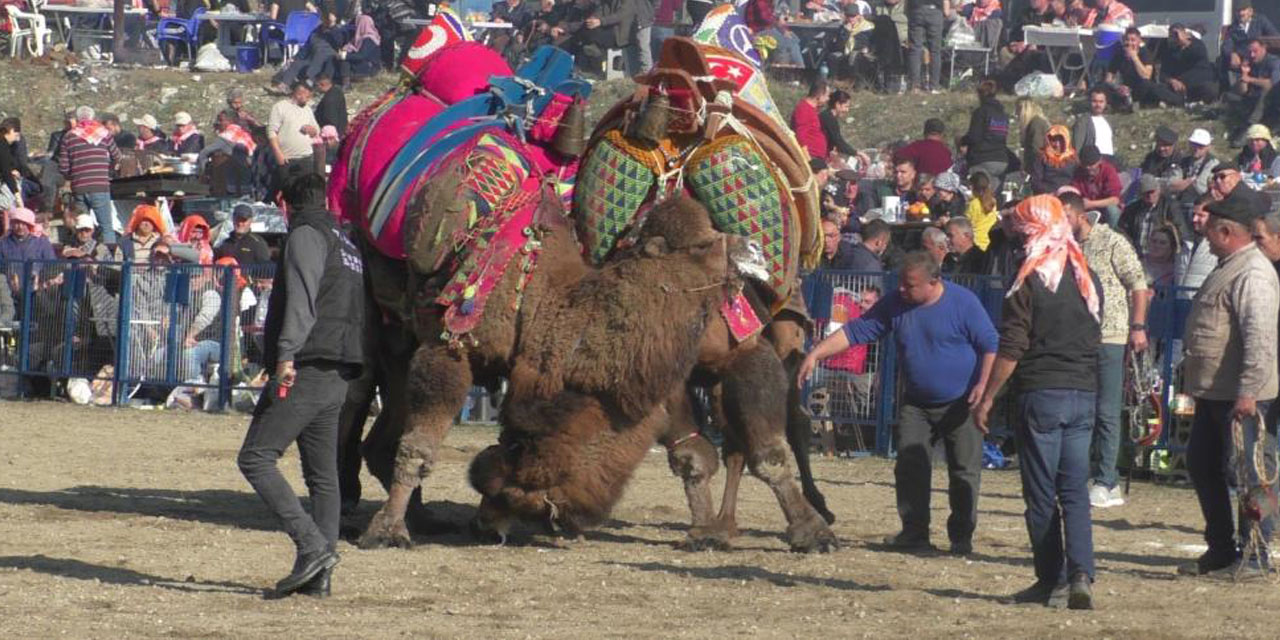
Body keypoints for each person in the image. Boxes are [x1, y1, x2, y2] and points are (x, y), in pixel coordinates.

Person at [800, 251, 998, 556]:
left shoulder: (964, 303)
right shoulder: (896, 303)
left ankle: (961, 537)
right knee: (909, 465)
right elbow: (856, 331)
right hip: (917, 402)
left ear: (934, 282)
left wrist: (984, 387)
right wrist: (815, 354)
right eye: (902, 284)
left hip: (962, 402)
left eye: (911, 285)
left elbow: (990, 345)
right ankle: (914, 533)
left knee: (964, 471)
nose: (902, 290)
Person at [237, 168, 365, 598]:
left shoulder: (306, 235)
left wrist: (285, 355)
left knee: (256, 458)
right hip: (340, 369)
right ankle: (319, 578)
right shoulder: (346, 242)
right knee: (323, 477)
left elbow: (302, 300)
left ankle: (312, 547)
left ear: (283, 203)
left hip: (306, 364)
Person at [973, 194, 1101, 609]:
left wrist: (988, 396)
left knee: (1042, 493)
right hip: (1083, 391)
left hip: (1042, 391)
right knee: (1075, 490)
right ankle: (1081, 573)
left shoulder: (1027, 276)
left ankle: (1050, 579)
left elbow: (1012, 345)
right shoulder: (1086, 273)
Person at [1178, 193, 1279, 577]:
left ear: (1226, 231)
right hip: (1216, 392)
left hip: (1240, 395)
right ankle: (1221, 547)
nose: (1204, 238)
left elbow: (1259, 337)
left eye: (1209, 231)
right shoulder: (1231, 265)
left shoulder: (1251, 273)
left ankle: (1256, 551)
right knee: (1204, 465)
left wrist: (1249, 391)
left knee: (1250, 476)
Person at [1061, 191, 1148, 509]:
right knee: (1082, 409)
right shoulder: (1069, 248)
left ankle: (1106, 479)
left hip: (1111, 335)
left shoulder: (1112, 242)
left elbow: (1138, 283)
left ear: (1077, 214)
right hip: (1080, 337)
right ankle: (1084, 473)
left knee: (1107, 410)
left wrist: (1137, 327)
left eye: (1064, 217)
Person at [58, 106, 122, 244]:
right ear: (92, 118)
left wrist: (73, 175)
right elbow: (117, 156)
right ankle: (108, 261)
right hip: (100, 186)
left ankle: (85, 258)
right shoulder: (104, 133)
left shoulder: (69, 136)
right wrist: (107, 169)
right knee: (106, 227)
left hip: (79, 187)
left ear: (78, 119)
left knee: (83, 226)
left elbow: (63, 166)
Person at [268, 82, 322, 195]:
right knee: (287, 191)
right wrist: (278, 154)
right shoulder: (280, 107)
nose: (305, 98)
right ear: (295, 93)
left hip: (306, 157)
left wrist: (312, 130)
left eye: (308, 96)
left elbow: (316, 130)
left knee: (305, 191)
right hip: (287, 158)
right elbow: (272, 131)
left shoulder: (307, 109)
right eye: (302, 95)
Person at [1119, 174, 1190, 256]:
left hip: (1164, 258)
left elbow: (1181, 231)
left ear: (1158, 190)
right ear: (1141, 194)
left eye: (1152, 192)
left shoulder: (1171, 206)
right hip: (1136, 255)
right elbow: (1122, 231)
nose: (1150, 196)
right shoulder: (1132, 210)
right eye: (1146, 193)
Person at [1152, 24, 1219, 107]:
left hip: (1198, 83)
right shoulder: (1170, 52)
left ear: (1185, 33)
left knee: (1210, 89)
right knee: (1157, 88)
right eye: (1172, 36)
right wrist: (1172, 81)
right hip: (1179, 87)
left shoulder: (1197, 45)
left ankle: (1197, 102)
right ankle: (1180, 102)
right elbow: (1163, 74)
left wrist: (1184, 41)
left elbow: (1199, 55)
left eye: (1176, 35)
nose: (1175, 38)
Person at [1220, 0, 1279, 93]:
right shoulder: (1233, 27)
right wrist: (1232, 53)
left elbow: (1274, 37)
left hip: (1260, 58)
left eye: (1243, 10)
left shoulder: (1261, 21)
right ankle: (1226, 92)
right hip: (1244, 60)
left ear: (1250, 11)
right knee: (1222, 61)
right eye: (1238, 11)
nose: (1240, 13)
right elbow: (1226, 45)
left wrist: (1262, 49)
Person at [1225, 39, 1280, 133]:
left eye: (1255, 51)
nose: (1252, 55)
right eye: (1250, 52)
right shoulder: (1250, 62)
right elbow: (1242, 91)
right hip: (1253, 97)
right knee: (1229, 95)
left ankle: (1250, 125)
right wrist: (1244, 75)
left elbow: (1272, 84)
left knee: (1265, 92)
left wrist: (1250, 79)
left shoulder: (1274, 62)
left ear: (1264, 48)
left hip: (1271, 99)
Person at [965, 80, 1010, 186]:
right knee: (992, 194)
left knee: (979, 191)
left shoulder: (980, 112)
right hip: (1002, 160)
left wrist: (962, 140)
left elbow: (974, 137)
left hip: (983, 159)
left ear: (980, 94)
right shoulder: (1003, 114)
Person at [1104, 27, 1155, 110]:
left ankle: (1137, 103)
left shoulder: (1145, 53)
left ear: (1139, 41)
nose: (1129, 43)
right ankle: (1120, 103)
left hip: (1141, 86)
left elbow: (1146, 76)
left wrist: (1134, 57)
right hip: (1126, 87)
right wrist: (1117, 87)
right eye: (1127, 40)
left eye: (1133, 40)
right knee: (1103, 87)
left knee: (1147, 84)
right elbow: (1108, 78)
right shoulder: (1119, 54)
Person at [1177, 193, 1218, 295]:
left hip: (1201, 304)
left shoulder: (1219, 246)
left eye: (1201, 215)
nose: (1194, 219)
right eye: (1194, 214)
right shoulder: (1185, 242)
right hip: (1178, 301)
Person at [1070, 145, 1122, 226]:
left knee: (1112, 210)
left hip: (1105, 209)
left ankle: (1113, 232)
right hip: (1087, 210)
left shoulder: (1108, 170)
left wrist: (1091, 204)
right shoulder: (1079, 172)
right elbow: (1075, 191)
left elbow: (1115, 200)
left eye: (1091, 165)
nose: (1088, 168)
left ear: (1099, 161)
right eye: (1085, 165)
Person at [906, 0, 947, 93]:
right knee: (935, 51)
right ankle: (934, 87)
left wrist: (909, 12)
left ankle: (914, 86)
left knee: (915, 49)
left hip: (915, 10)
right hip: (934, 11)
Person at [1169, 128, 1220, 201]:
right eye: (1194, 145)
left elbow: (1201, 188)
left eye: (1201, 146)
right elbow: (1171, 183)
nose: (1197, 149)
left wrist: (1184, 183)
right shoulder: (1183, 161)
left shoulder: (1213, 164)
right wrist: (1191, 181)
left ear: (1208, 147)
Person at [1028, 125, 1078, 195]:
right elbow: (1036, 182)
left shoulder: (1073, 157)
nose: (1057, 145)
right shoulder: (1042, 157)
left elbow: (1078, 180)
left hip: (1068, 194)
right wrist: (1053, 192)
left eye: (1061, 141)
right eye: (1054, 140)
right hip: (1047, 195)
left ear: (1066, 140)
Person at [1071, 89, 1115, 164]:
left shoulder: (1107, 121)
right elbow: (1077, 146)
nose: (1098, 105)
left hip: (1109, 160)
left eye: (1101, 102)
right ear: (1089, 102)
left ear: (1105, 103)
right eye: (1095, 101)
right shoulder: (1083, 121)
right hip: (1093, 161)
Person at [337, 14, 382, 86]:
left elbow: (361, 56)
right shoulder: (358, 38)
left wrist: (345, 55)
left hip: (370, 67)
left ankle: (346, 84)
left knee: (345, 59)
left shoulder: (369, 39)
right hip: (363, 64)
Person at [791, 80, 829, 160]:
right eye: (826, 96)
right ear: (819, 95)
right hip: (811, 156)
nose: (828, 99)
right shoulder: (804, 109)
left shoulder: (812, 110)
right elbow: (800, 136)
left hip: (817, 156)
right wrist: (809, 161)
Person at [963, 171, 998, 251]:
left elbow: (967, 224)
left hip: (975, 242)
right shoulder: (993, 202)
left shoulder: (973, 204)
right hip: (988, 241)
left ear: (972, 187)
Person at [820, 90, 858, 161]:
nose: (847, 110)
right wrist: (857, 153)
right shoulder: (828, 118)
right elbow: (838, 142)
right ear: (837, 104)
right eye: (846, 106)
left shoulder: (828, 116)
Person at [1015, 98, 1050, 171]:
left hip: (1039, 168)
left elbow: (1036, 149)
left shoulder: (1036, 124)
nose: (1016, 114)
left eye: (1018, 110)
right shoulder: (1035, 123)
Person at [1142, 224, 1179, 289]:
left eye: (1162, 243)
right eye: (1154, 241)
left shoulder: (1176, 269)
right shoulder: (1137, 262)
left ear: (1171, 247)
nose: (1156, 245)